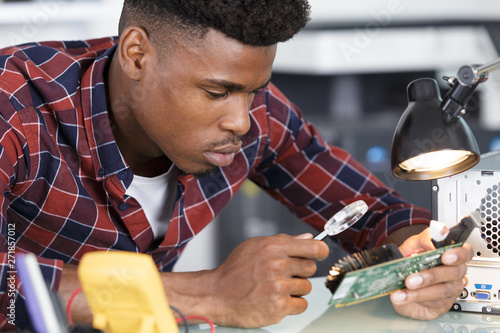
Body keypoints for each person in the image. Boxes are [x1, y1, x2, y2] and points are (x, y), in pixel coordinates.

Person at [0, 0, 472, 330]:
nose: (242, 121)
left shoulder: (257, 117)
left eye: (255, 90)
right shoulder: (14, 109)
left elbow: (376, 214)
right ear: (137, 55)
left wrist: (423, 260)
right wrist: (210, 292)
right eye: (216, 92)